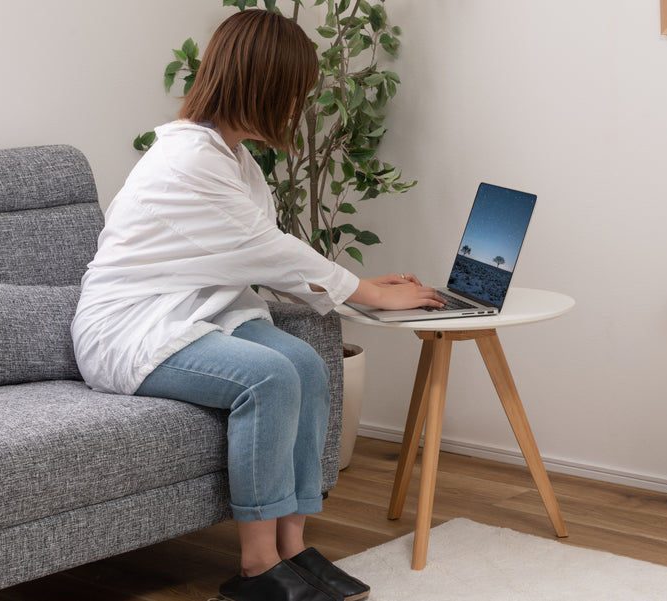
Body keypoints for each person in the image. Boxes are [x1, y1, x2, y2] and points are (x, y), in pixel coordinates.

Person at [71, 9, 444, 601]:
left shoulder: (233, 158)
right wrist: (367, 292)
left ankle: (293, 549)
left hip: (199, 313)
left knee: (304, 364)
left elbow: (255, 253)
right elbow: (267, 248)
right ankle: (256, 568)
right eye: (293, 92)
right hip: (130, 330)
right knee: (268, 377)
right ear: (261, 86)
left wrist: (360, 284)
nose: (298, 105)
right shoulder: (189, 160)